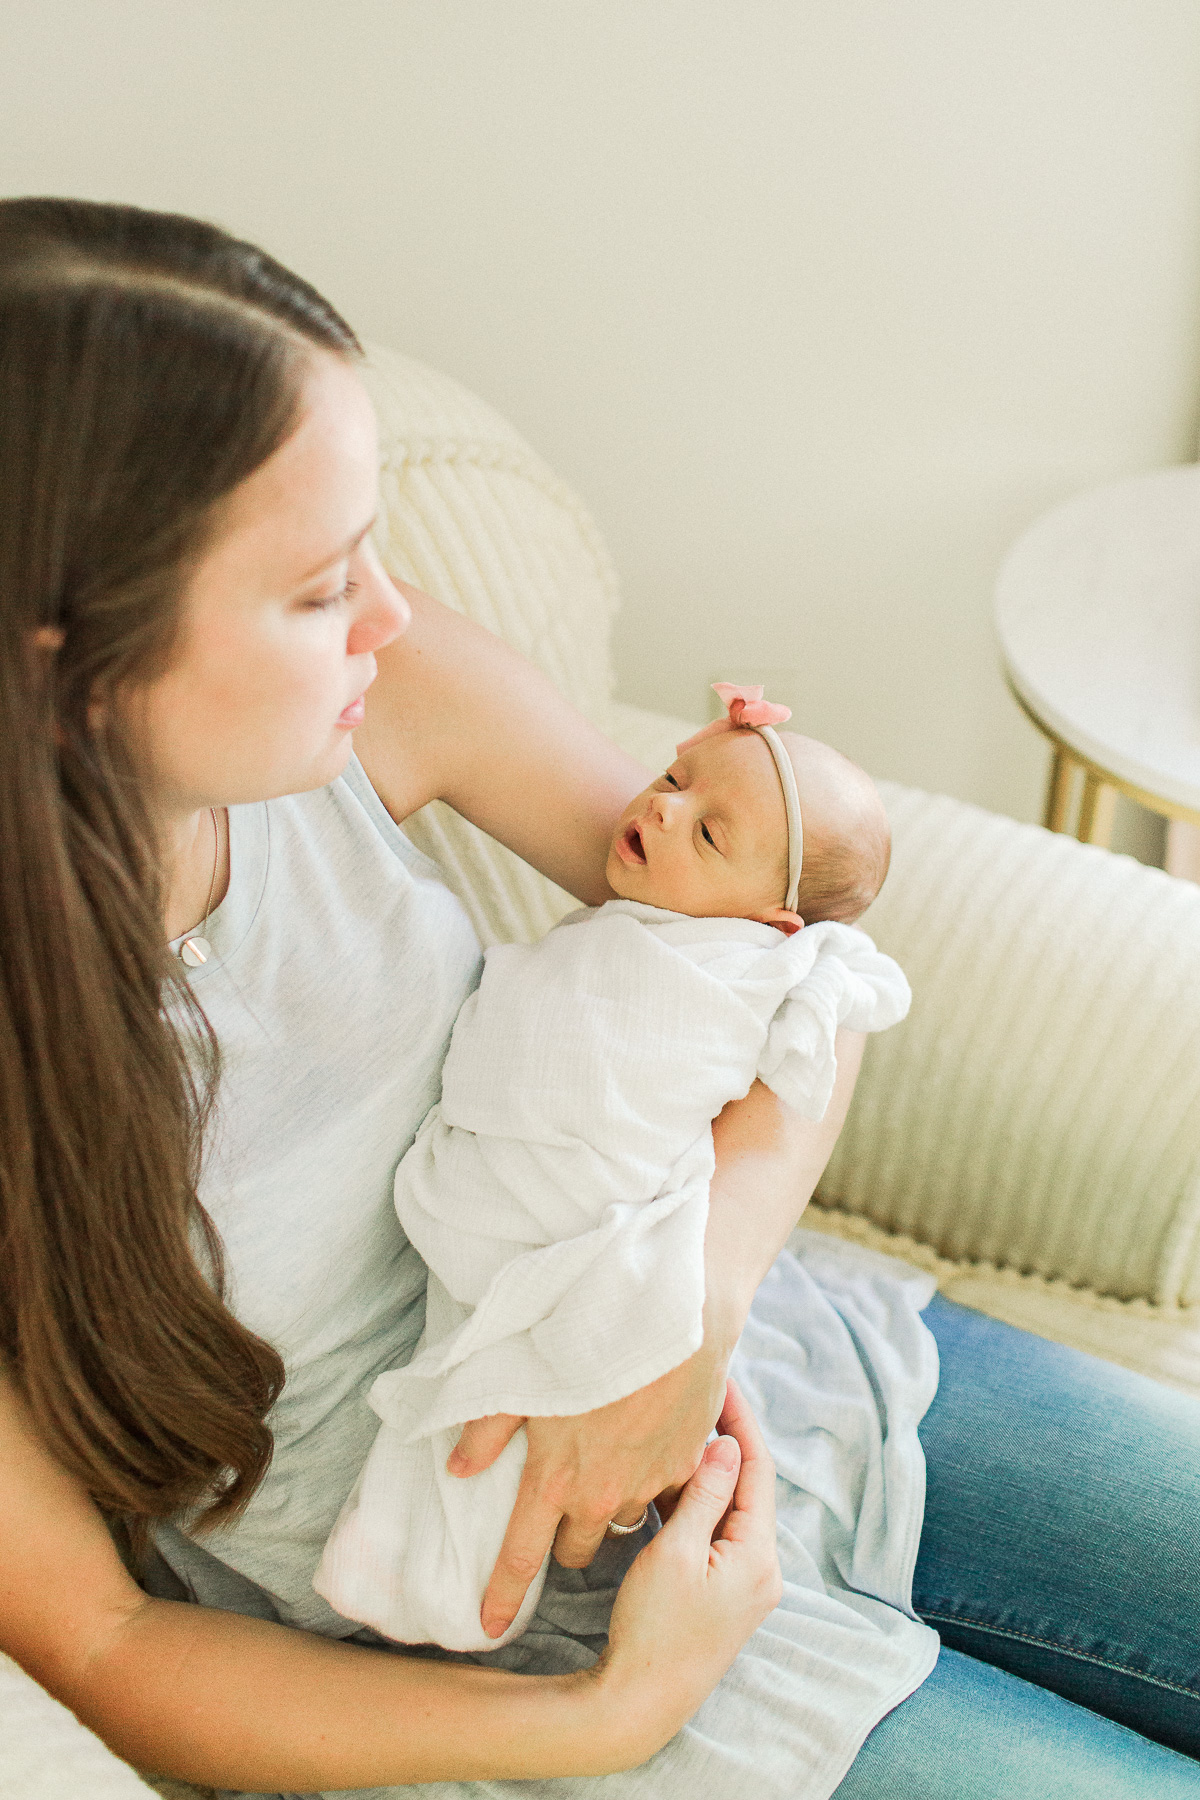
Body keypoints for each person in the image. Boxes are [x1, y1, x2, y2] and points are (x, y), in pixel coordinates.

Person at [1, 196, 1198, 1800]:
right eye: (313, 588)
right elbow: (105, 1648)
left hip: (790, 1385)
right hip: (506, 1654)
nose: (391, 614)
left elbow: (787, 959)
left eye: (375, 550)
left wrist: (692, 1318)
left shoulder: (382, 703)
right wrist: (607, 1716)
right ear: (65, 663)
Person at [315, 696, 910, 1650]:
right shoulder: (667, 894)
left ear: (770, 920)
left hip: (653, 1256)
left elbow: (846, 995)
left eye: (707, 829)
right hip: (502, 1210)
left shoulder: (750, 961)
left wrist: (695, 1308)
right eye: (673, 777)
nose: (664, 809)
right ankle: (413, 1571)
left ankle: (423, 1562)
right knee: (479, 1434)